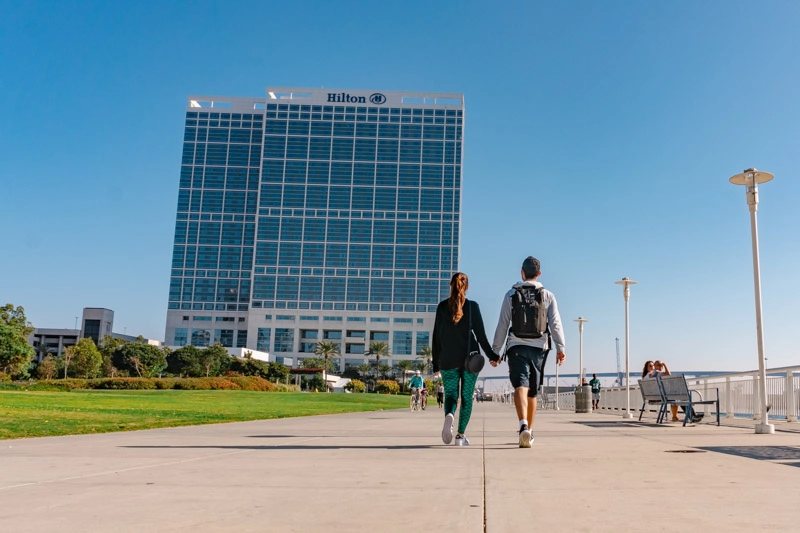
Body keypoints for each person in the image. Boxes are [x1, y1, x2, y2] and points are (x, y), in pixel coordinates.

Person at [492, 256, 566, 448]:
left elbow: (503, 323)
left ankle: (522, 424)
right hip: (539, 347)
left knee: (520, 386)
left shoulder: (511, 293)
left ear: (522, 273)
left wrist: (496, 351)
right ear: (539, 273)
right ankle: (529, 432)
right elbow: (555, 323)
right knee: (533, 392)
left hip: (516, 346)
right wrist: (561, 348)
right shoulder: (548, 295)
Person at [433, 272, 501, 446]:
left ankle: (449, 415)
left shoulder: (441, 307)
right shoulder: (472, 307)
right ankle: (460, 436)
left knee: (451, 396)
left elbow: (436, 337)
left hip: (447, 360)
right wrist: (493, 356)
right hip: (470, 361)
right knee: (466, 397)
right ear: (467, 287)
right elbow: (481, 337)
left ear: (451, 286)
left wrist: (436, 363)